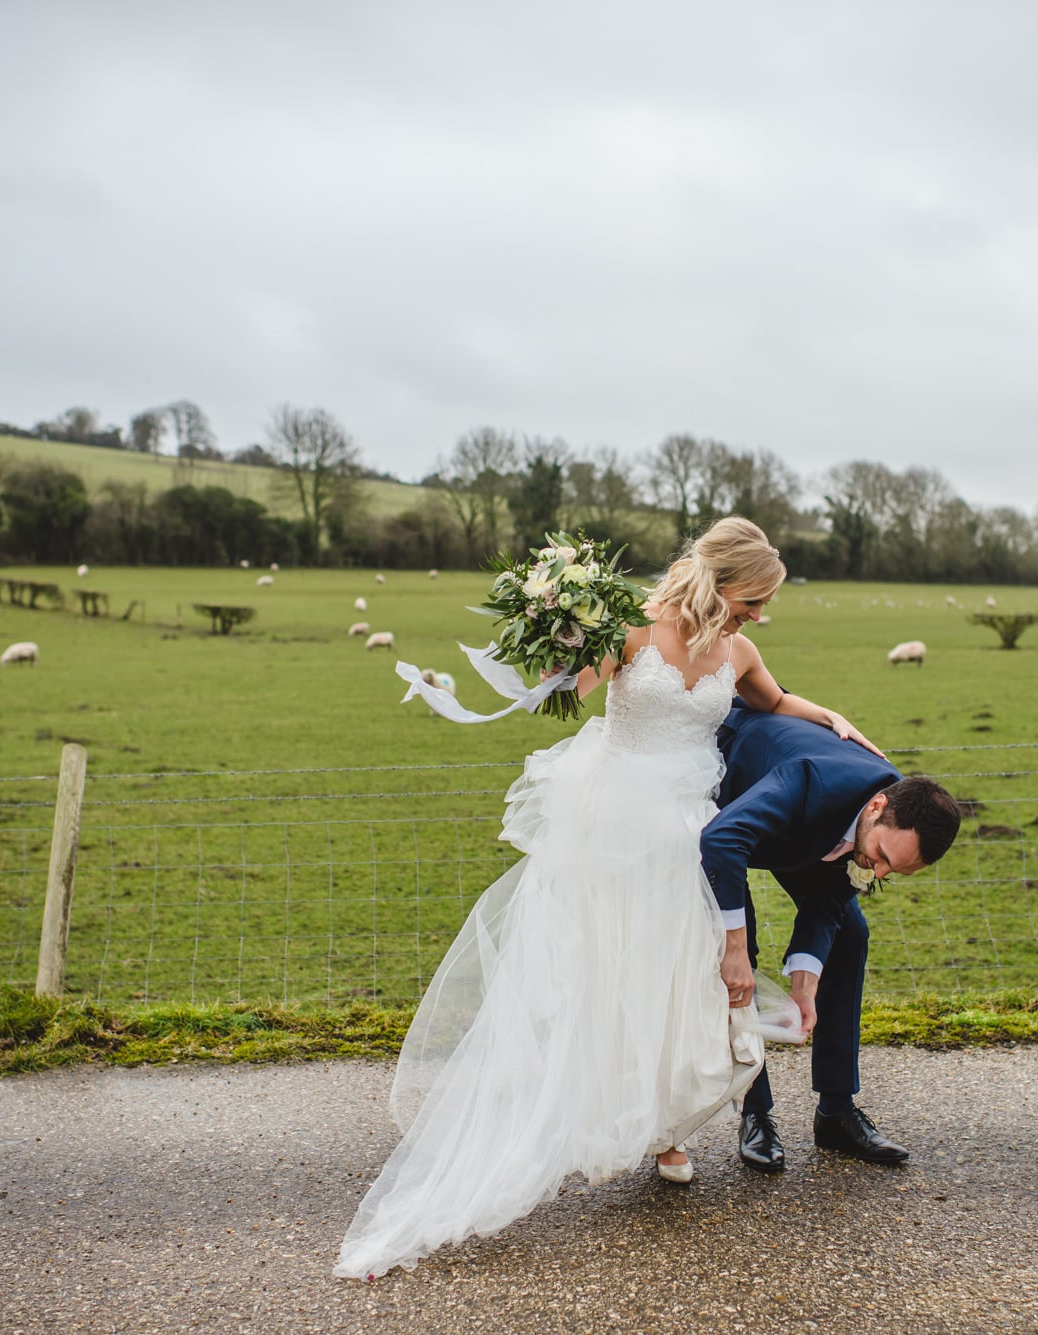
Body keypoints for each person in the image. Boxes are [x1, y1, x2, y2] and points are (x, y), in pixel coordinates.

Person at [335, 517, 880, 1279]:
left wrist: (830, 718)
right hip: (617, 819)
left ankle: (665, 1128)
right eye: (755, 598)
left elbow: (776, 699)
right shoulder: (627, 634)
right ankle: (646, 1127)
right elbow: (559, 694)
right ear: (720, 583)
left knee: (682, 972)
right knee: (620, 967)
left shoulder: (741, 650)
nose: (761, 613)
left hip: (691, 822)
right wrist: (551, 638)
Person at [704, 704, 964, 1172]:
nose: (878, 871)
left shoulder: (895, 814)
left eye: (894, 871)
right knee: (739, 953)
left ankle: (836, 1111)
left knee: (849, 931)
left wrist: (805, 988)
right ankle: (756, 1113)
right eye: (881, 855)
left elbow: (830, 901)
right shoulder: (809, 780)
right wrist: (736, 950)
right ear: (877, 808)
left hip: (813, 836)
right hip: (726, 809)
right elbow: (721, 841)